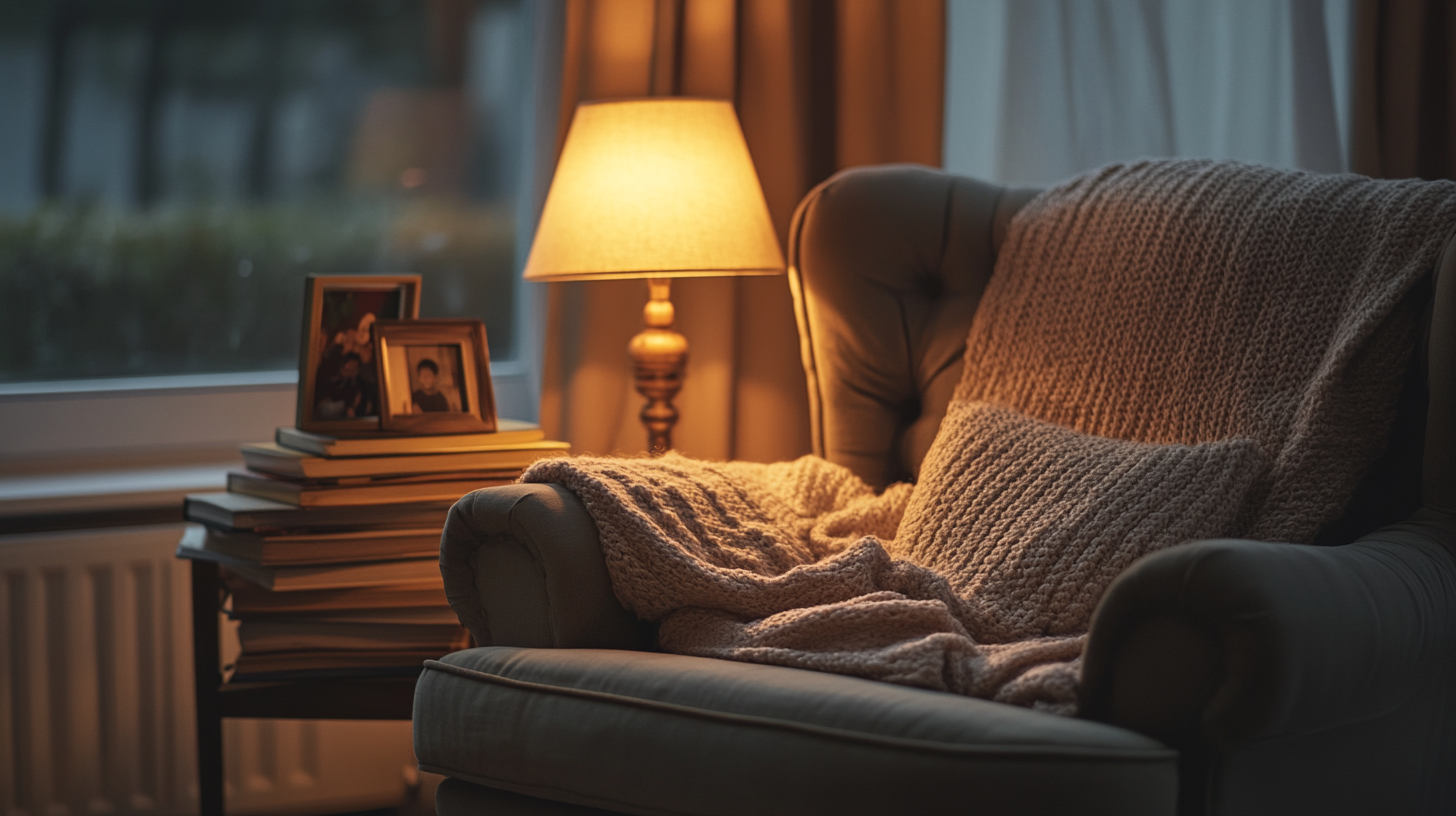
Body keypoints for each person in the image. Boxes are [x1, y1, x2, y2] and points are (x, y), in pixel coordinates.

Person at [314, 353, 375, 418]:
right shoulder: (335, 382)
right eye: (347, 370)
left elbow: (364, 405)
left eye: (354, 369)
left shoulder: (362, 385)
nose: (351, 372)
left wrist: (352, 408)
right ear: (342, 369)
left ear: (358, 369)